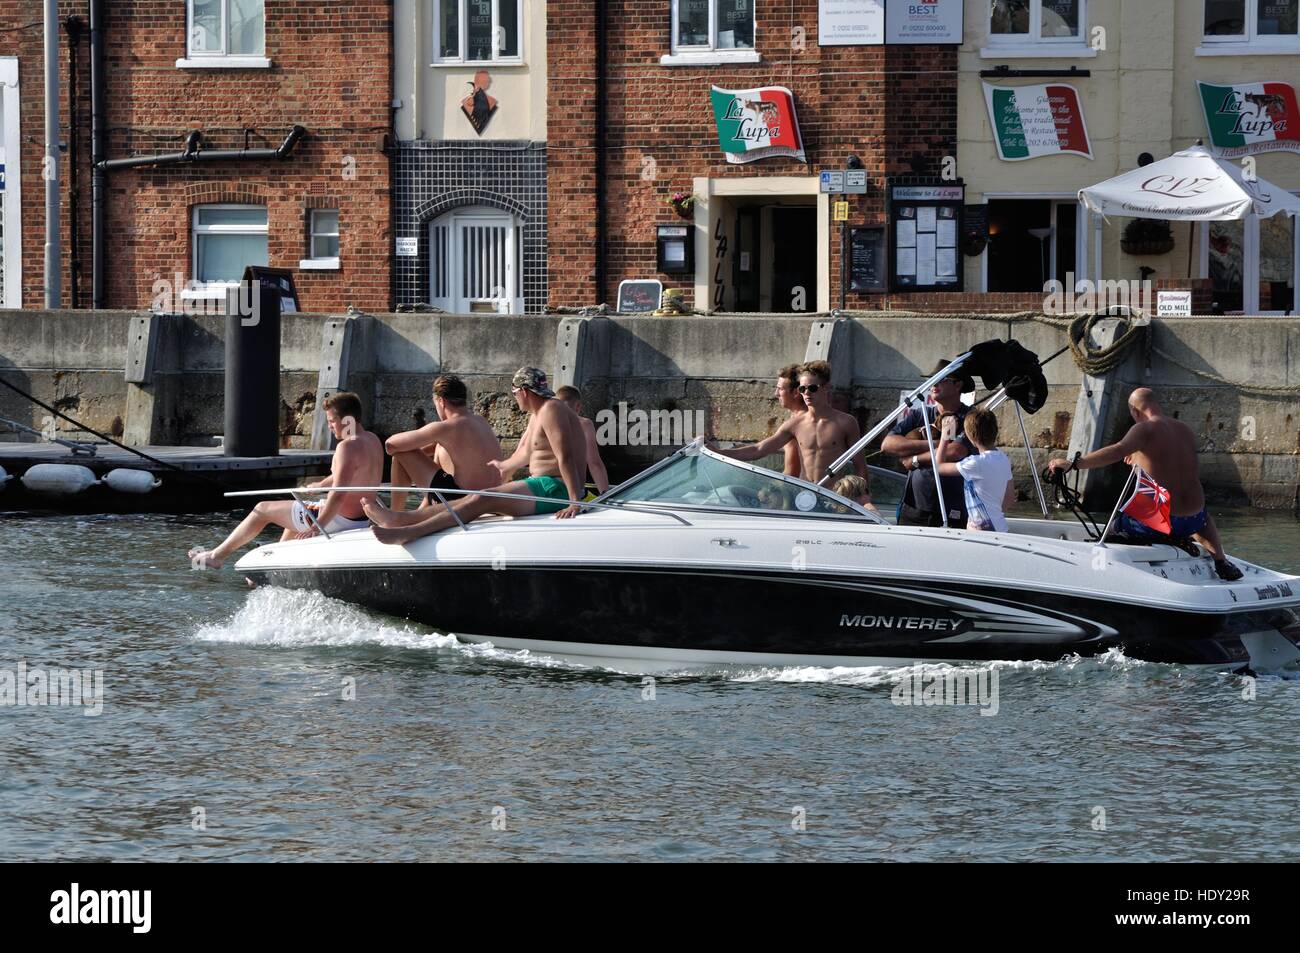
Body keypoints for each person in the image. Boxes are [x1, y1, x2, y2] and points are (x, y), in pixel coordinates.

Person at [363, 367, 587, 543]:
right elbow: (526, 453)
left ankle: (411, 531)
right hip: (542, 485)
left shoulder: (551, 409)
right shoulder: (538, 413)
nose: (515, 399)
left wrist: (574, 501)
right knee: (475, 498)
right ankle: (402, 519)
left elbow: (564, 456)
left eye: (514, 394)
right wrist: (505, 467)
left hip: (554, 488)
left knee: (481, 497)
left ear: (524, 391)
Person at [1047, 387, 1242, 580]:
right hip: (1194, 520)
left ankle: (1107, 567)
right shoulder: (1185, 430)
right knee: (1205, 519)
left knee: (1117, 524)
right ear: (1157, 404)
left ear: (1135, 410)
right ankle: (1221, 561)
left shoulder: (1144, 428)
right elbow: (1169, 464)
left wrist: (1074, 464)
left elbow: (1117, 451)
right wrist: (1139, 457)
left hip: (1159, 523)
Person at [187, 392, 383, 568]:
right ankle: (272, 568)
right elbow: (351, 475)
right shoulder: (372, 440)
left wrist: (316, 527)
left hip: (338, 520)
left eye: (332, 421)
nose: (330, 426)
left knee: (262, 509)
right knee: (292, 513)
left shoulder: (347, 447)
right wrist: (321, 485)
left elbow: (338, 496)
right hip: (360, 519)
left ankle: (216, 556)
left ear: (347, 419)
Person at [711, 361, 864, 485]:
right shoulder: (794, 425)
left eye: (812, 388)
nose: (806, 393)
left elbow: (860, 466)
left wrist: (864, 498)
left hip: (834, 497)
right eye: (802, 388)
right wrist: (718, 453)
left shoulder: (846, 422)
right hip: (805, 496)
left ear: (826, 388)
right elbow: (758, 450)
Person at [385, 374, 502, 511]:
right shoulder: (481, 422)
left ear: (441, 401)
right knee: (435, 451)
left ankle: (395, 514)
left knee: (401, 453)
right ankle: (414, 514)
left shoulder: (446, 427)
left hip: (462, 502)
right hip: (492, 501)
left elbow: (390, 445)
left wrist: (415, 453)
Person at [881, 359, 975, 527]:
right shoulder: (920, 415)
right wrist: (939, 442)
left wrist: (914, 460)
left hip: (953, 507)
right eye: (932, 380)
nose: (934, 384)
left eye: (941, 380)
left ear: (958, 385)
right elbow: (887, 444)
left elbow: (956, 451)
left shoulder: (971, 418)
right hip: (913, 507)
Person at [933, 409, 1014, 532]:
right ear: (995, 431)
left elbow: (938, 467)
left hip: (981, 533)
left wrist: (945, 436)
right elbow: (1009, 497)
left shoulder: (975, 463)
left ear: (970, 437)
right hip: (1000, 527)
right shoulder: (1003, 458)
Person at [555, 385, 610, 494]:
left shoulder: (542, 420)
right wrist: (605, 494)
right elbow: (594, 463)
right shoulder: (584, 424)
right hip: (571, 491)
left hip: (543, 485)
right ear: (578, 406)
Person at [774, 363, 806, 477]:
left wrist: (768, 489)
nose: (776, 394)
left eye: (780, 389)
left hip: (800, 491)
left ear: (796, 392)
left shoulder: (796, 424)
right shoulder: (806, 417)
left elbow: (791, 473)